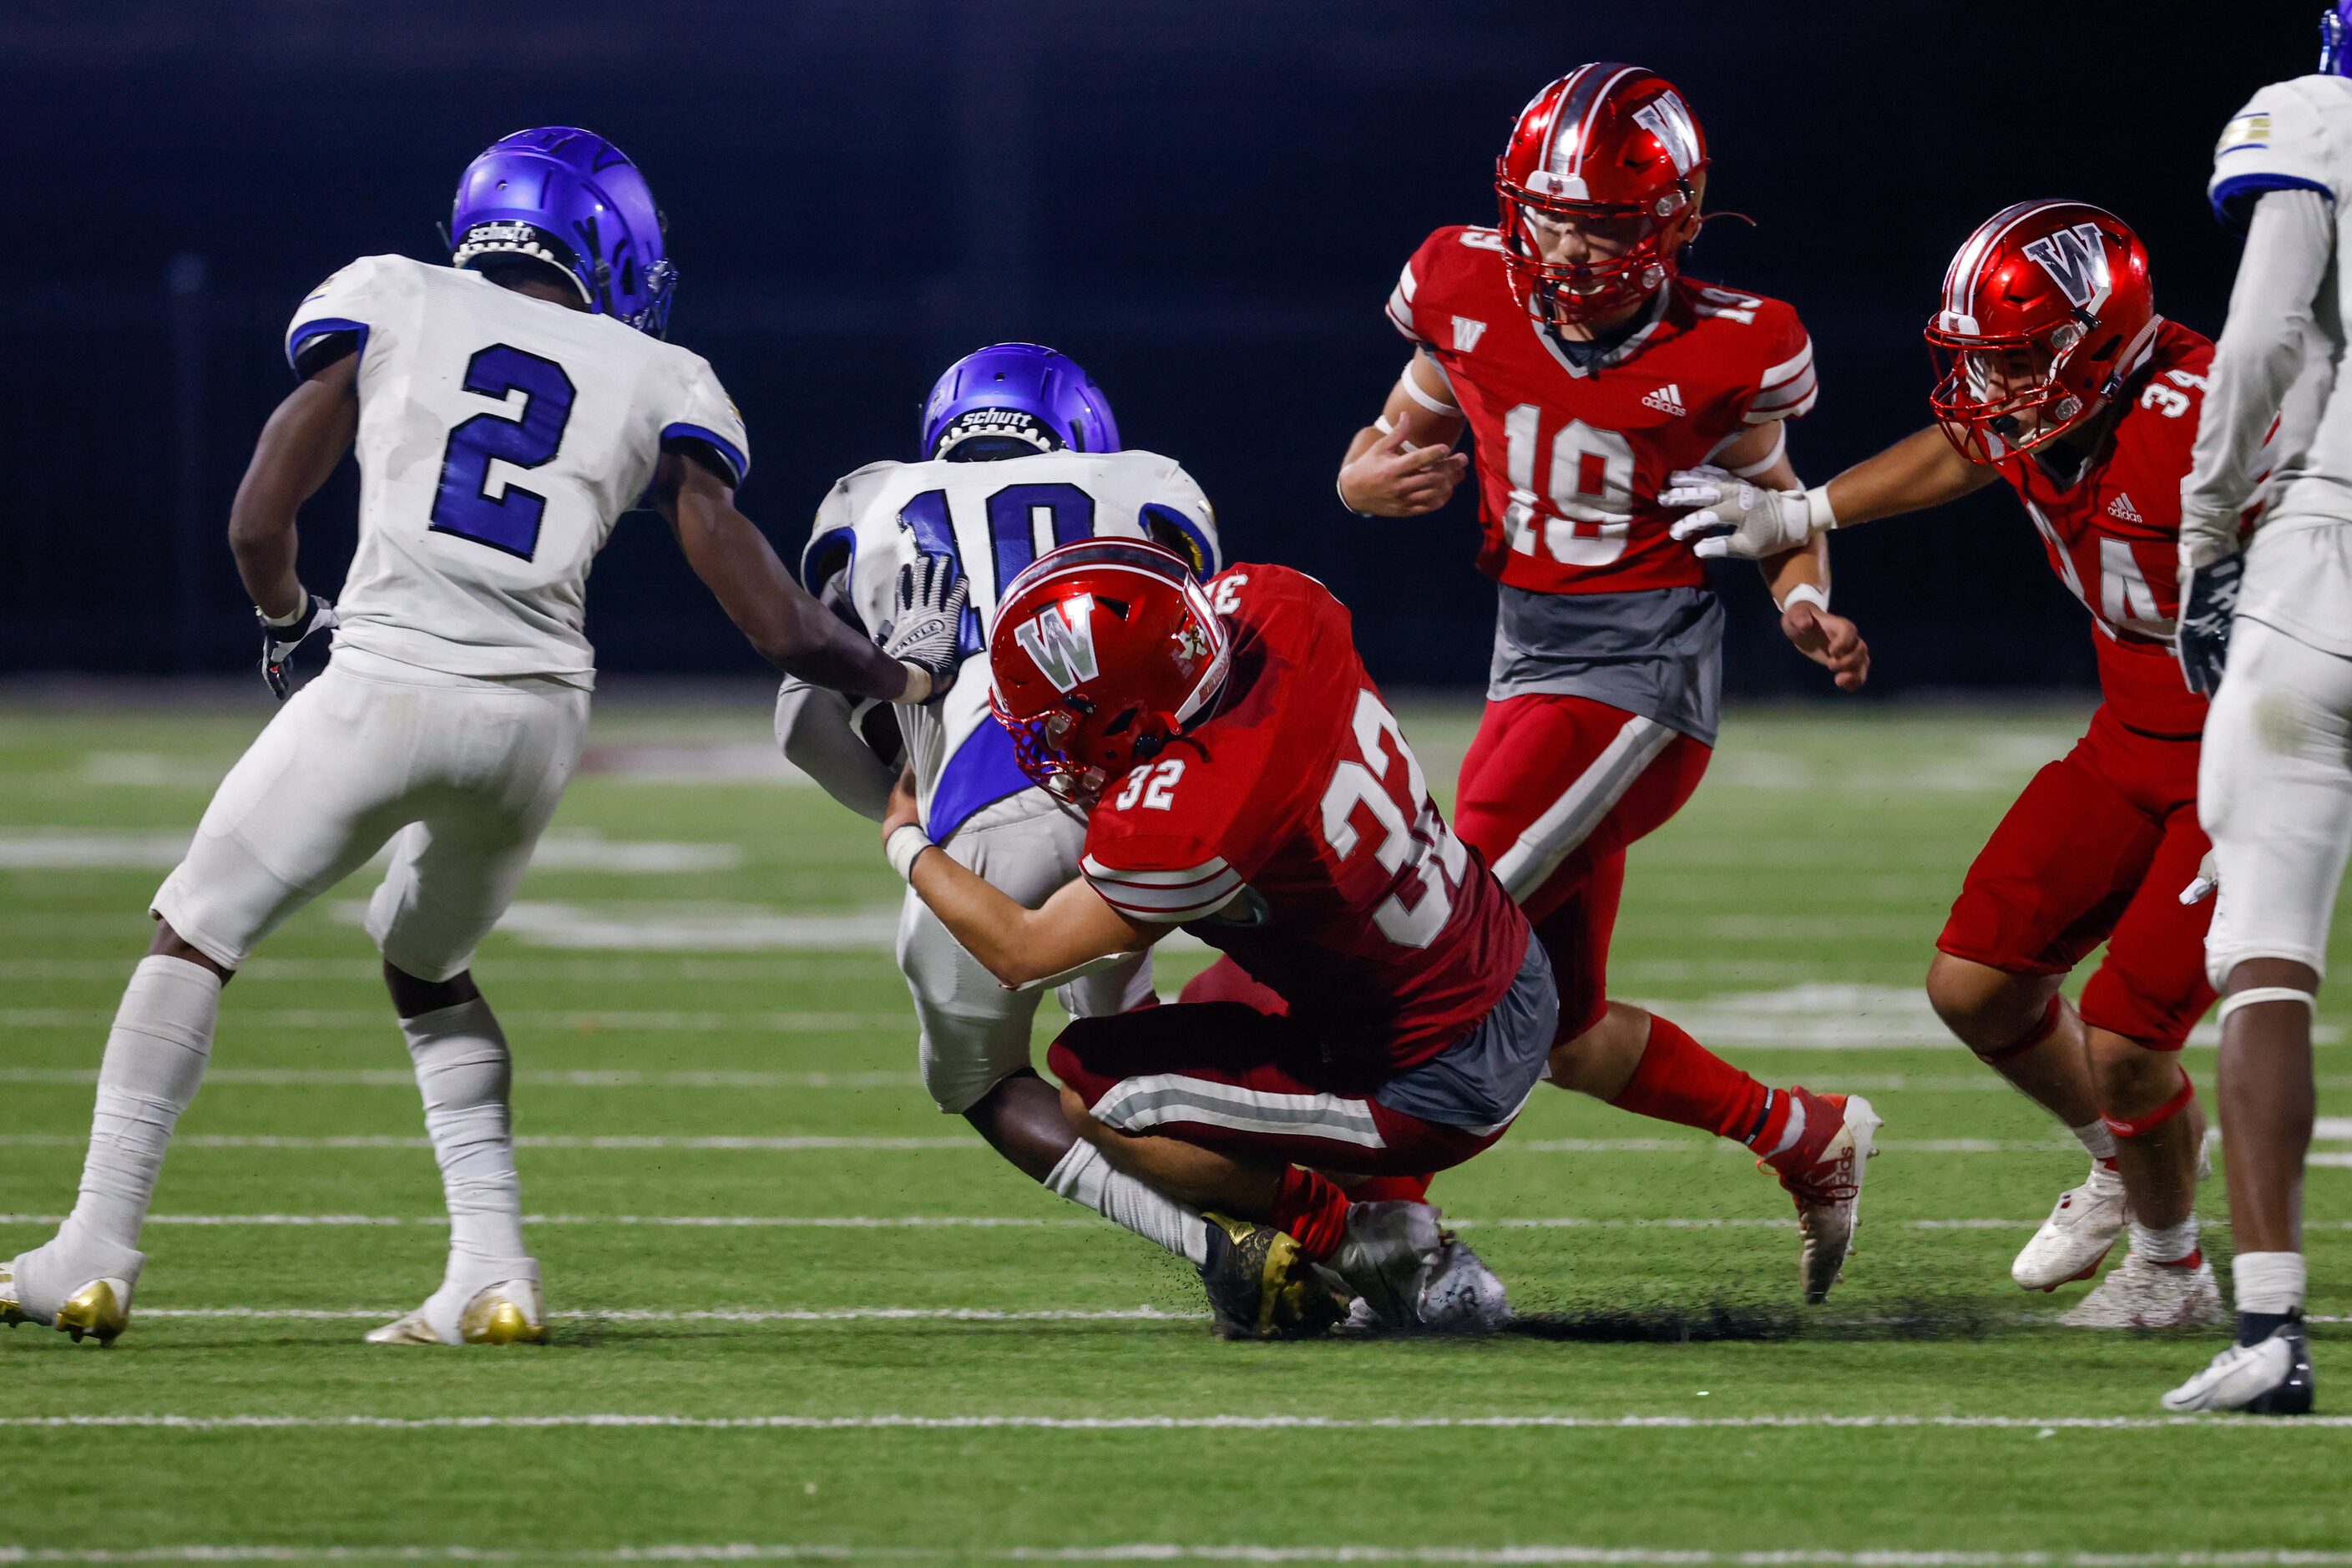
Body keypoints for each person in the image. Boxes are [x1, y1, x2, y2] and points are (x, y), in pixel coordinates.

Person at [0, 127, 964, 1348]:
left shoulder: (394, 293)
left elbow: (258, 522)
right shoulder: (659, 371)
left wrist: (289, 622)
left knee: (196, 928)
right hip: (536, 722)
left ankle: (93, 1248)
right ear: (609, 247)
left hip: (389, 677)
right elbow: (773, 616)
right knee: (425, 962)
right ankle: (492, 1271)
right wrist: (897, 673)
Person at [1287, 63, 1881, 1300]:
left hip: (1640, 675)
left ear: (1671, 215)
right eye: (1551, 214)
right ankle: (1804, 1134)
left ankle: (1366, 1218)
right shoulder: (1461, 279)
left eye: (1605, 221)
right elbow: (1393, 432)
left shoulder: (1734, 337)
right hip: (1526, 664)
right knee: (1565, 1030)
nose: (1569, 244)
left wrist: (1805, 599)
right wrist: (1361, 483)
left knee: (1433, 923)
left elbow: (1775, 502)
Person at [1667, 200, 2236, 1328]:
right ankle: (2124, 1162)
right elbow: (1962, 451)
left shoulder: (2216, 414)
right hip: (2130, 734)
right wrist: (1805, 510)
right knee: (1974, 981)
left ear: (2102, 339)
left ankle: (2173, 1276)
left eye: (2020, 360)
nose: (1996, 387)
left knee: (2127, 1041)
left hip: (2243, 756)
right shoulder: (2049, 404)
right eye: (1986, 360)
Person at [883, 539, 1546, 1338]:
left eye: (1061, 723)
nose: (1051, 747)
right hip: (1500, 955)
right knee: (1213, 999)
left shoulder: (1192, 818)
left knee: (1100, 1089)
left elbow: (1019, 949)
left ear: (1132, 712)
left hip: (1440, 1076)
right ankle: (1397, 1218)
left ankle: (1359, 1245)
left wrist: (904, 839)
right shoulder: (1279, 606)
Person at [776, 341, 1230, 1279]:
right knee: (1131, 1042)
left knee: (979, 1080)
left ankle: (1218, 1250)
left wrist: (914, 810)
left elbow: (800, 726)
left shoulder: (871, 502)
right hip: (1141, 802)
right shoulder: (1143, 483)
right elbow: (1209, 648)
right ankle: (1344, 1220)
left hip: (980, 806)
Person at [2151, 6, 2352, 1414]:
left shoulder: (2325, 118)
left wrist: (2205, 527)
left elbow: (2264, 332)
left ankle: (2269, 1330)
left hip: (2329, 567)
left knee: (2263, 950)